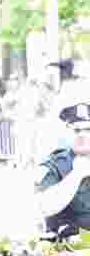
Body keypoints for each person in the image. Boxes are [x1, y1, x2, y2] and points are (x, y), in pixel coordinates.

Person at [35, 92, 90, 239]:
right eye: (77, 130)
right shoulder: (56, 163)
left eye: (88, 130)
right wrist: (78, 174)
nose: (82, 135)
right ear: (68, 132)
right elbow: (45, 207)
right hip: (66, 250)